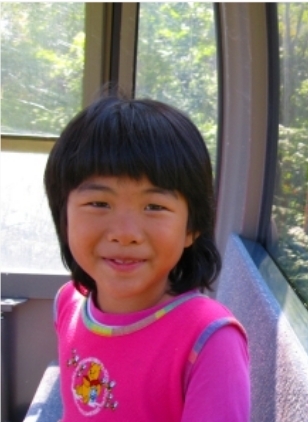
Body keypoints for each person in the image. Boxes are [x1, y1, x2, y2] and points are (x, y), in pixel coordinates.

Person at [44, 96, 250, 421]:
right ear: (63, 216)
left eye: (154, 207)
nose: (125, 233)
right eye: (99, 204)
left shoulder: (209, 339)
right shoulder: (68, 303)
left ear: (192, 228)